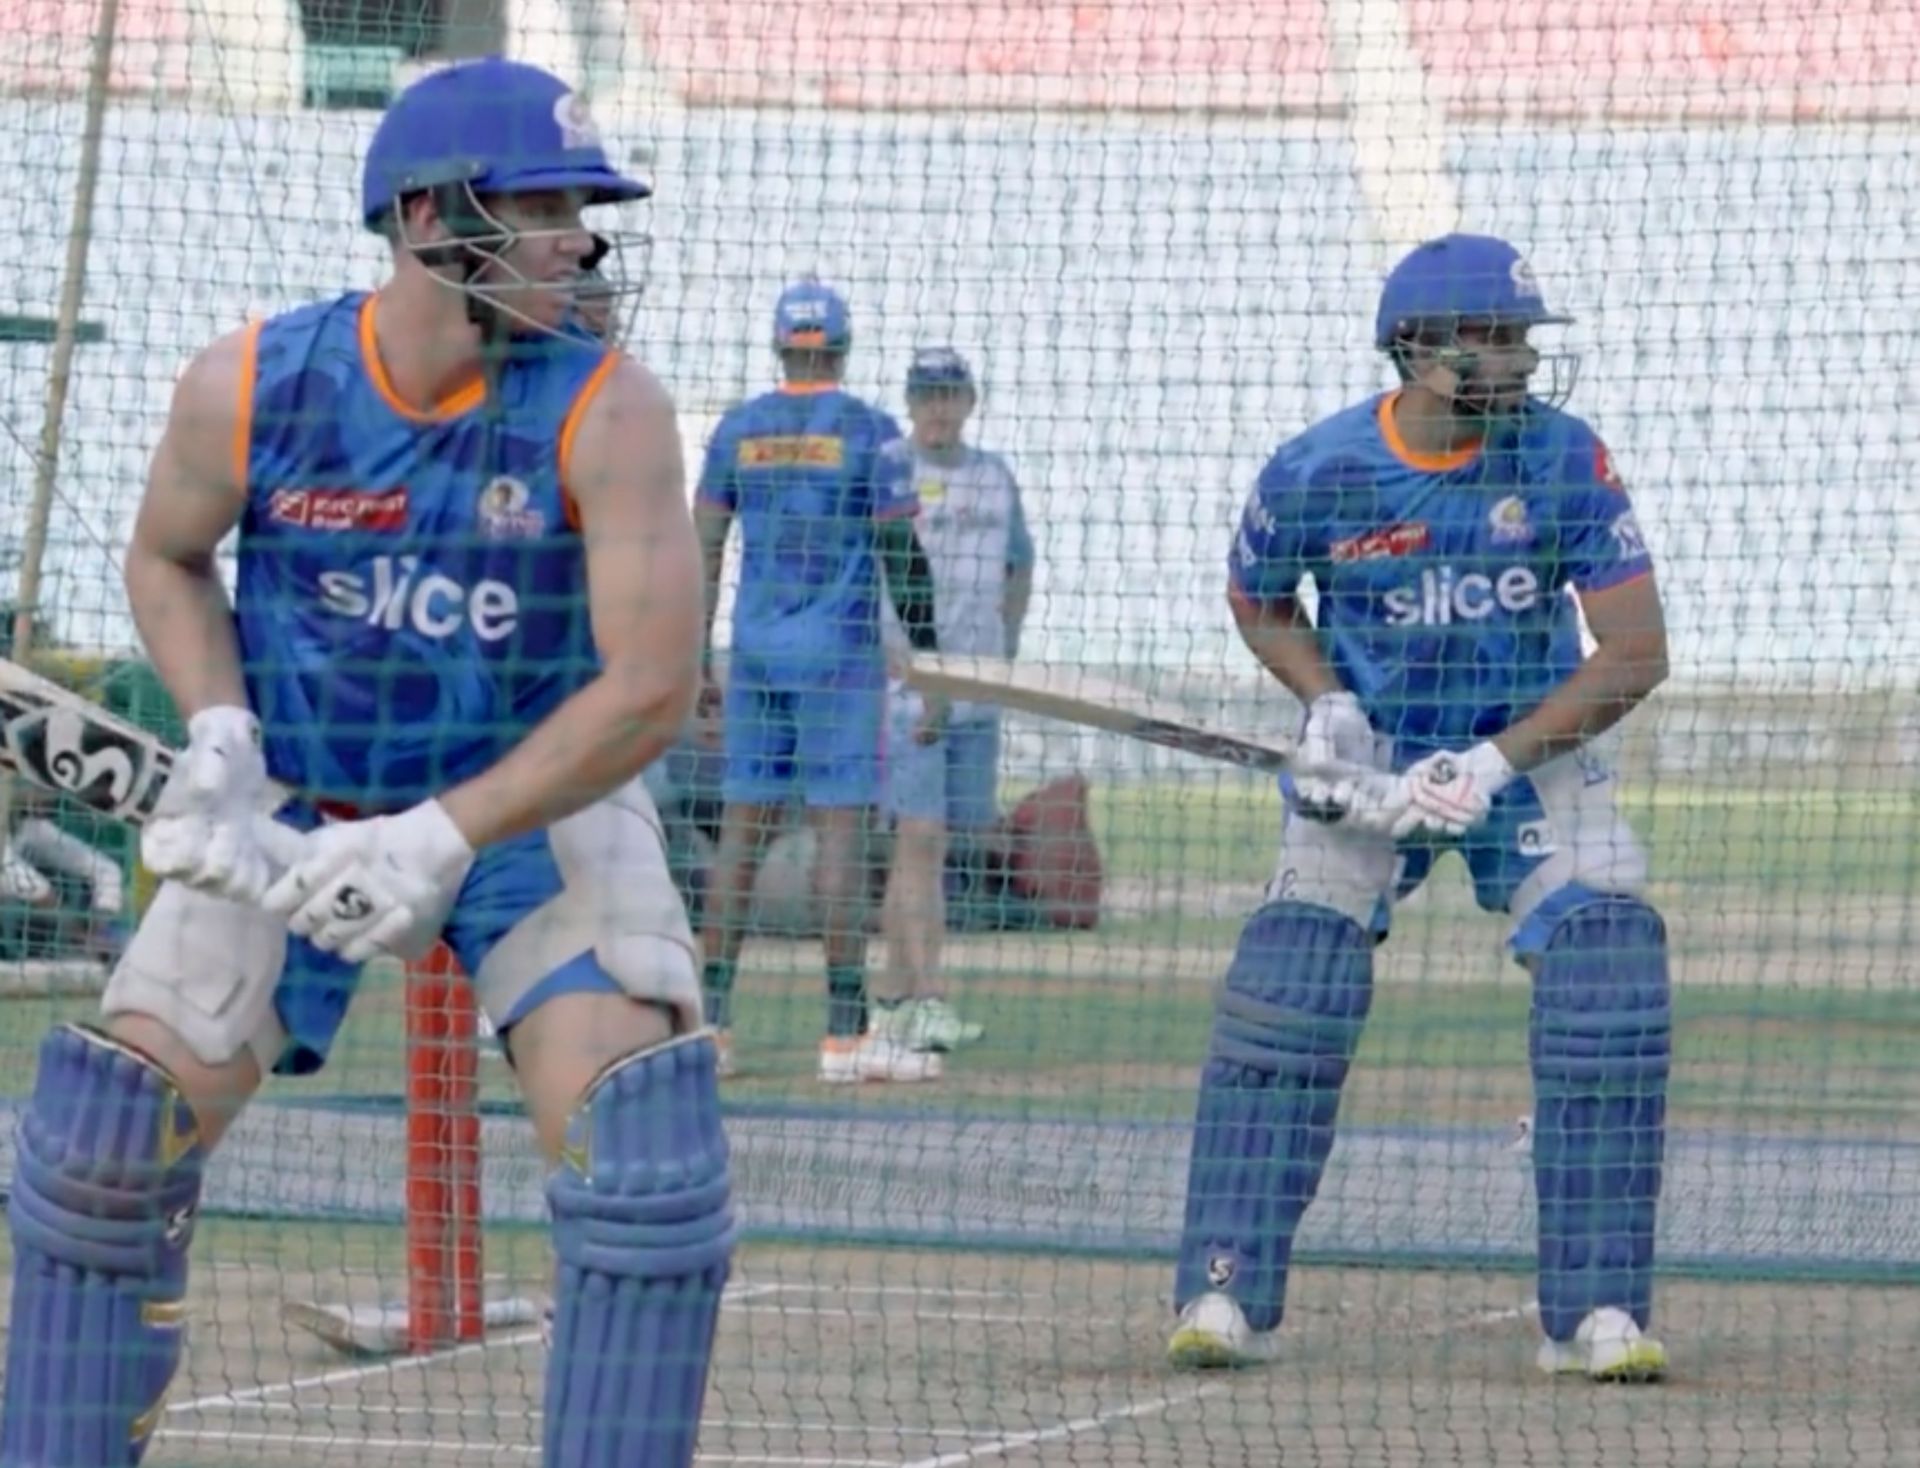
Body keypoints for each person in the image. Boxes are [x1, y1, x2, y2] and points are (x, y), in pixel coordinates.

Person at [0, 58, 732, 1468]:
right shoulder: (257, 380)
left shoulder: (610, 408)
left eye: (581, 207)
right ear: (426, 216)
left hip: (538, 805)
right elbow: (166, 557)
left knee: (648, 1163)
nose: (578, 240)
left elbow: (647, 691)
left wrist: (442, 836)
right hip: (298, 804)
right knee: (101, 1147)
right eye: (543, 205)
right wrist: (218, 730)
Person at [1169, 234, 1673, 1383]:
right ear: (1418, 349)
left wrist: (1493, 765)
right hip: (1374, 758)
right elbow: (1257, 599)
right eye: (1491, 340)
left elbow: (1637, 651)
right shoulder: (1320, 470)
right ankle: (1222, 1290)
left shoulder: (1565, 459)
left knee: (1610, 975)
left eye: (1521, 340)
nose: (1517, 362)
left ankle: (1598, 1312)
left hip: (1527, 751)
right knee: (1292, 981)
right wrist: (1326, 705)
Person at [694, 281, 948, 1085]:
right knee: (841, 837)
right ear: (842, 346)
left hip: (757, 654)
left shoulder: (738, 430)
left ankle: (709, 1028)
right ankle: (844, 1035)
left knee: (741, 834)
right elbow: (903, 559)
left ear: (780, 346)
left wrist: (700, 656)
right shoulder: (870, 434)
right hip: (838, 659)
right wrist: (931, 658)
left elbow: (703, 542)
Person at [874, 347, 1032, 1055]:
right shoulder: (890, 467)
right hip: (907, 689)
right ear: (910, 402)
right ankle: (928, 996)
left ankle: (892, 996)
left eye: (950, 395)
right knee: (919, 838)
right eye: (926, 395)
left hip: (977, 684)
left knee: (941, 845)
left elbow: (1019, 565)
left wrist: (1007, 646)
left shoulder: (995, 478)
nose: (938, 408)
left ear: (970, 400)